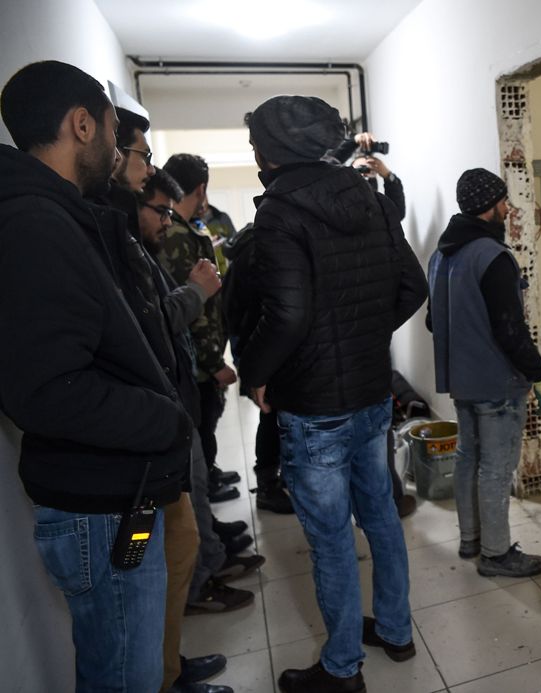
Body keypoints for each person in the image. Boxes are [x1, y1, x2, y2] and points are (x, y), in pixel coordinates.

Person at [0, 60, 192, 692]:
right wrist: (164, 418)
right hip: (99, 506)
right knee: (121, 677)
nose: (118, 152)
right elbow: (47, 391)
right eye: (113, 131)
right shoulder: (34, 224)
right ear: (83, 125)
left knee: (125, 666)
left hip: (114, 490)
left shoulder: (64, 214)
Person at [240, 95, 427, 693]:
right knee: (379, 515)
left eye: (255, 146)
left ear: (271, 152)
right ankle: (395, 630)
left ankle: (342, 667)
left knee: (330, 542)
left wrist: (255, 372)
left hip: (314, 409)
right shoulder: (369, 200)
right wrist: (362, 336)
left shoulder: (277, 214)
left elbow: (288, 316)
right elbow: (411, 286)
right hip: (371, 396)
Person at [102, 111, 234, 693]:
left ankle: (170, 669)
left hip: (166, 421)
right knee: (154, 567)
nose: (145, 167)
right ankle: (164, 673)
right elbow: (151, 327)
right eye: (138, 153)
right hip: (142, 441)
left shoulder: (133, 243)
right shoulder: (103, 241)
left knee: (174, 553)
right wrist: (198, 295)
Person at [138, 169, 264, 621]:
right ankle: (203, 576)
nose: (165, 221)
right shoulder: (167, 243)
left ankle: (210, 561)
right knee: (189, 488)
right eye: (160, 211)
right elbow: (177, 314)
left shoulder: (179, 236)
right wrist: (212, 363)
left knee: (199, 474)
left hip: (188, 376)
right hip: (182, 380)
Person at [426, 168, 541, 578]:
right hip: (497, 383)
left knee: (469, 458)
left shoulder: (440, 255)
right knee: (497, 468)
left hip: (461, 380)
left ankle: (472, 540)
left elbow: (435, 321)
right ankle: (497, 554)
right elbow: (510, 328)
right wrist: (537, 375)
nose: (507, 208)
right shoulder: (493, 257)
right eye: (503, 201)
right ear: (488, 207)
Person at [159, 153, 240, 505]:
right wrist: (212, 362)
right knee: (201, 430)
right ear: (201, 188)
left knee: (207, 428)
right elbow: (195, 309)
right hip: (194, 364)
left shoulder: (186, 226)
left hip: (200, 358)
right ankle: (206, 498)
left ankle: (210, 479)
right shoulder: (177, 233)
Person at [221, 223, 294, 514]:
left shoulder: (246, 248)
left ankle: (278, 479)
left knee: (273, 414)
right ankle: (267, 485)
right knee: (271, 414)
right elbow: (267, 312)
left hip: (250, 343)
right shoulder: (262, 252)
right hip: (262, 346)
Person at [350, 132, 405, 220]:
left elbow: (397, 214)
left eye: (368, 170)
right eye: (360, 169)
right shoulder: (340, 205)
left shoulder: (381, 211)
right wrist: (354, 140)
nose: (364, 174)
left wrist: (388, 175)